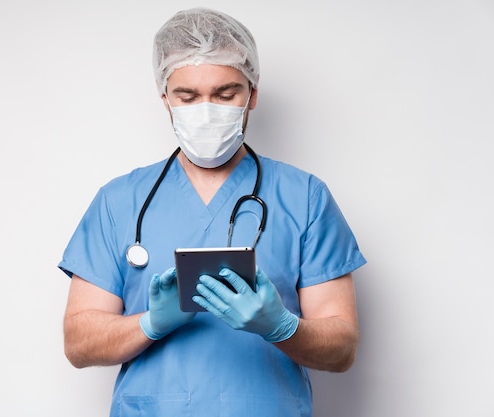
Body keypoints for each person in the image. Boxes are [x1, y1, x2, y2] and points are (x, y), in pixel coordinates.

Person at [58, 7, 366, 417]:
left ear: (252, 95)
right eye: (187, 96)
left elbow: (341, 349)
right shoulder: (119, 201)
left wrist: (281, 327)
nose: (206, 110)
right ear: (165, 96)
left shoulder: (305, 197)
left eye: (225, 94)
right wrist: (151, 322)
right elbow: (78, 345)